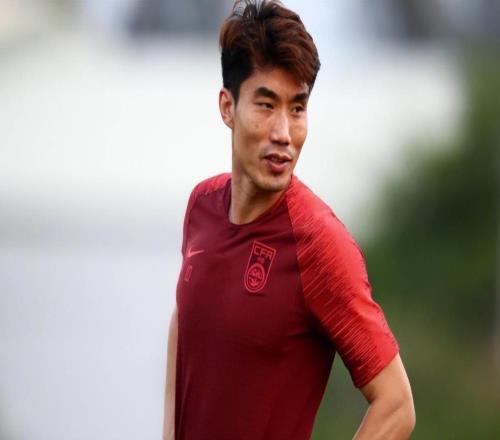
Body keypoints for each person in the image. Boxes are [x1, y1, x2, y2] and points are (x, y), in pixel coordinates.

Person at [163, 1, 415, 439]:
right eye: (266, 105)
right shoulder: (201, 205)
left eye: (297, 108)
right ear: (227, 107)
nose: (283, 132)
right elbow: (185, 319)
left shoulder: (318, 243)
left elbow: (396, 405)